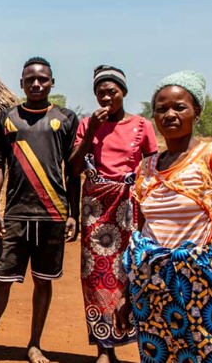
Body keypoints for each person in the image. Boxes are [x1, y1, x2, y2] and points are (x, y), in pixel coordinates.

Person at [125, 71, 212, 363]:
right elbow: (141, 233)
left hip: (196, 277)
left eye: (179, 107)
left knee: (209, 352)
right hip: (149, 280)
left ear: (196, 111)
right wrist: (128, 293)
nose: (169, 114)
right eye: (161, 109)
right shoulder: (146, 167)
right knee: (159, 353)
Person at [0, 57, 80, 363]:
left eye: (43, 79)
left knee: (43, 280)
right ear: (21, 83)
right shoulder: (7, 118)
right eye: (30, 79)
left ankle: (35, 344)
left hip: (52, 214)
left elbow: (73, 171)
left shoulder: (65, 119)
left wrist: (73, 213)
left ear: (52, 83)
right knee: (0, 278)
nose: (37, 84)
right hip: (15, 215)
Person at [67, 65, 157, 363]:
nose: (106, 97)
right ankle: (104, 349)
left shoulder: (142, 125)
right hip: (95, 210)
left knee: (129, 273)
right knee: (95, 276)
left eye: (112, 91)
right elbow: (74, 168)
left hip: (130, 208)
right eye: (100, 92)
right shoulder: (86, 125)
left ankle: (136, 345)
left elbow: (152, 168)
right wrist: (92, 129)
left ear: (124, 93)